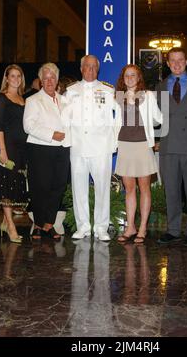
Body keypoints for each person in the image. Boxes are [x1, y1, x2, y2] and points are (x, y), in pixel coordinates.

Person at [156, 47, 187, 246]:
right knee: (171, 190)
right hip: (168, 147)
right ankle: (173, 229)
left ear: (186, 61)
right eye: (172, 61)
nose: (176, 64)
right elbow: (155, 117)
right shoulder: (160, 87)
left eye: (180, 60)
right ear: (168, 63)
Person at [63, 55, 117, 241]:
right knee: (79, 188)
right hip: (77, 147)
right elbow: (64, 118)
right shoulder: (70, 91)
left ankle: (101, 228)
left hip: (101, 148)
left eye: (94, 67)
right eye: (87, 66)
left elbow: (117, 117)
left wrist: (114, 141)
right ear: (81, 68)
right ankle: (83, 227)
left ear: (98, 69)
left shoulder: (108, 90)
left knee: (102, 188)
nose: (91, 70)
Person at [115, 64, 163, 244]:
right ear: (123, 78)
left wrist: (149, 120)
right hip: (124, 145)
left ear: (138, 77)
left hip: (143, 146)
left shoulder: (148, 96)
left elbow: (159, 119)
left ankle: (142, 227)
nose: (129, 78)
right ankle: (130, 227)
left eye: (133, 75)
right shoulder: (118, 97)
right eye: (126, 75)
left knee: (144, 188)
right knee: (129, 189)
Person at [23, 62, 70, 240]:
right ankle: (38, 224)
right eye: (46, 78)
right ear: (41, 81)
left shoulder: (65, 100)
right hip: (40, 148)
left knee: (57, 187)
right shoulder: (33, 100)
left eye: (52, 77)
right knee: (39, 188)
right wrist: (51, 134)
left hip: (62, 149)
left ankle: (49, 224)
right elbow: (28, 126)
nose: (49, 81)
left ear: (57, 80)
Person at [0, 64, 28, 242]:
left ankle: (6, 222)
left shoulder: (22, 98)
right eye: (12, 76)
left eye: (18, 76)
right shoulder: (1, 98)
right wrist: (2, 150)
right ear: (6, 78)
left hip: (22, 147)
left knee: (15, 184)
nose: (15, 79)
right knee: (6, 184)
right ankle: (11, 226)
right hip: (8, 146)